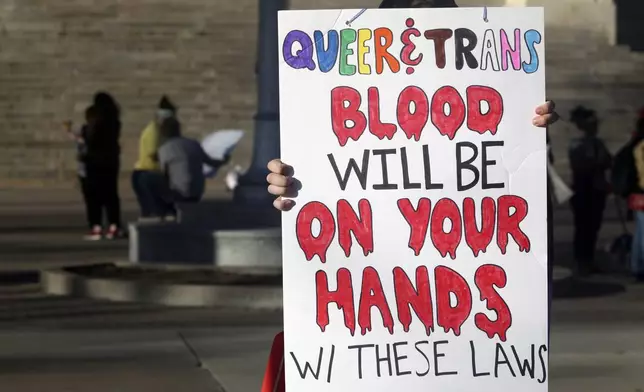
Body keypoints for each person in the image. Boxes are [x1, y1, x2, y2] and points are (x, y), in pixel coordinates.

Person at [567, 106, 612, 275]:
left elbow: (607, 161)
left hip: (595, 189)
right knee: (583, 227)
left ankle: (588, 259)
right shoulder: (578, 144)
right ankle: (581, 261)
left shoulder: (596, 142)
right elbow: (582, 166)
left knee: (592, 227)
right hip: (584, 189)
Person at [156, 117, 229, 216]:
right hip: (197, 189)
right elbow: (212, 162)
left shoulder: (164, 149)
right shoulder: (193, 144)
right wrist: (225, 160)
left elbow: (163, 174)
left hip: (178, 191)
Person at [82, 92, 124, 240]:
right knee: (111, 194)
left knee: (94, 196)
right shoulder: (115, 121)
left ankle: (96, 227)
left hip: (94, 162)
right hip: (111, 161)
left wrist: (81, 134)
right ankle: (114, 226)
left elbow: (90, 140)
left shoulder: (94, 121)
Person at [132, 96, 177, 219]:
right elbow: (153, 155)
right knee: (154, 214)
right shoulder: (154, 131)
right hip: (147, 174)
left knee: (156, 213)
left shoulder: (158, 131)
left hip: (149, 174)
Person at [629, 114, 644, 282]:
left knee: (640, 232)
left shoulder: (636, 145)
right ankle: (639, 266)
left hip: (638, 193)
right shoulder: (641, 147)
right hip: (642, 192)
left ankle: (637, 265)